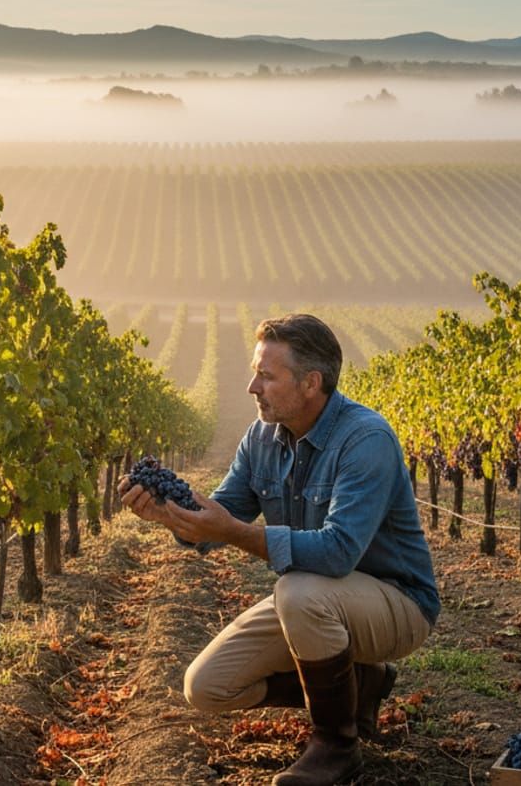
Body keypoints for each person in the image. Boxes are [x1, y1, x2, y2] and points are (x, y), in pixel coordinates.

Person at [119, 313, 439, 786]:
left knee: (298, 590)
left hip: (396, 603)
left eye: (266, 376)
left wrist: (235, 533)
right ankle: (359, 686)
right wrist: (171, 515)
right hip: (319, 601)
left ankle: (336, 745)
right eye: (255, 372)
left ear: (311, 383)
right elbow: (221, 517)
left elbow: (336, 554)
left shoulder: (365, 439)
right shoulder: (261, 438)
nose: (252, 386)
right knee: (207, 686)